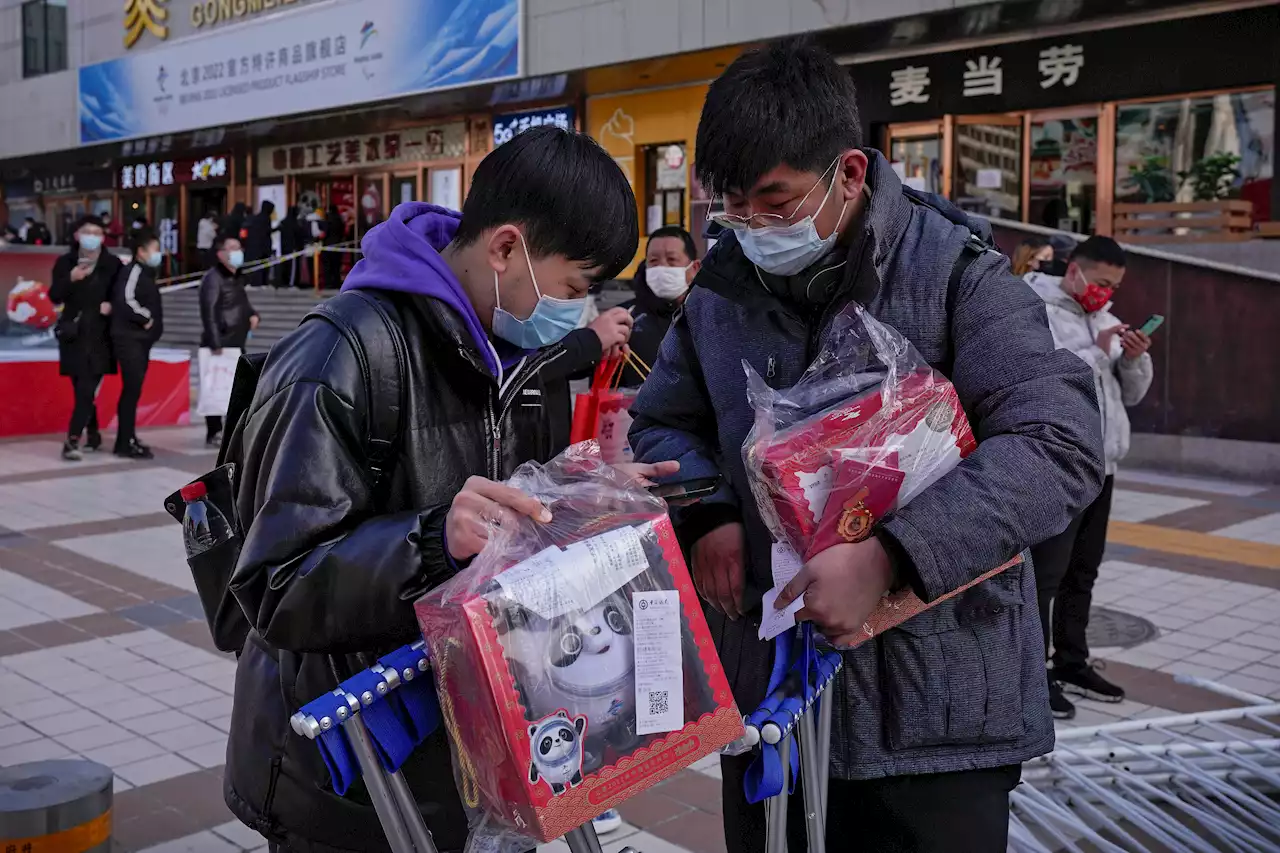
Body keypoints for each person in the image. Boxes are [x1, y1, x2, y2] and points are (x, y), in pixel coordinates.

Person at [628, 41, 1104, 853]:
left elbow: (1059, 441)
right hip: (776, 706)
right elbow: (665, 419)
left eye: (773, 201)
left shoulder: (960, 276)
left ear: (849, 172)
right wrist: (708, 511)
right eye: (731, 205)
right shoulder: (720, 288)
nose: (749, 226)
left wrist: (892, 557)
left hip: (939, 714)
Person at [219, 126, 673, 853]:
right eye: (572, 288)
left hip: (478, 759)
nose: (574, 311)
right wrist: (431, 539)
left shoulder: (514, 352)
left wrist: (585, 496)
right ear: (504, 248)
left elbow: (514, 515)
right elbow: (275, 586)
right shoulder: (340, 352)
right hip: (353, 777)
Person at [1026, 236, 1152, 720]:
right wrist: (1099, 352)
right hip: (1058, 463)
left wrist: (1134, 358)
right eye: (1100, 282)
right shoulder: (1035, 308)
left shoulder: (1104, 318)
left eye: (1114, 286)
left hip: (1105, 464)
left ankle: (1073, 662)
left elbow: (1132, 395)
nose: (1105, 293)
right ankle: (1034, 676)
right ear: (1074, 270)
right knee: (1045, 577)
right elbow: (1048, 377)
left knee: (1084, 571)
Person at [49, 215, 122, 461]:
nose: (92, 236)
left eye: (97, 231)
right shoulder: (65, 262)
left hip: (100, 336)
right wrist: (70, 279)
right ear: (77, 235)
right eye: (87, 231)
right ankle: (93, 433)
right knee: (81, 389)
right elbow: (54, 296)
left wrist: (112, 305)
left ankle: (72, 440)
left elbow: (122, 296)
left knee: (86, 389)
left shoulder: (112, 264)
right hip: (73, 335)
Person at [618, 225, 700, 387]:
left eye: (672, 260)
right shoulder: (625, 318)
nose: (662, 268)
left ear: (694, 268)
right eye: (654, 261)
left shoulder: (713, 318)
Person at [110, 227, 164, 460]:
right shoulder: (132, 271)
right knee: (131, 389)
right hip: (129, 338)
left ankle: (128, 436)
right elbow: (125, 299)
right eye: (155, 249)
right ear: (141, 251)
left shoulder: (146, 273)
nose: (158, 254)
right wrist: (145, 318)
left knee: (134, 389)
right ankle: (125, 441)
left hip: (142, 341)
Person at [199, 235, 258, 446]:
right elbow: (209, 311)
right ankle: (214, 430)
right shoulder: (213, 278)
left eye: (238, 247)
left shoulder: (236, 277)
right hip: (221, 342)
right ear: (221, 254)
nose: (236, 251)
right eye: (231, 248)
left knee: (235, 388)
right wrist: (215, 341)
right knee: (215, 388)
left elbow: (242, 303)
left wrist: (253, 314)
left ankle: (232, 432)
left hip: (236, 341)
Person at [243, 200, 276, 288]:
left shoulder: (256, 218)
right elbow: (266, 231)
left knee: (257, 265)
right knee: (264, 264)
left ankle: (256, 282)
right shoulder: (266, 218)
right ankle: (263, 282)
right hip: (263, 246)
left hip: (255, 246)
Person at [322, 204, 346, 289]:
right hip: (338, 245)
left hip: (327, 246)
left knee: (328, 266)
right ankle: (336, 282)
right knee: (336, 266)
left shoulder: (328, 220)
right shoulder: (340, 220)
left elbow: (325, 232)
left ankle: (328, 283)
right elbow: (343, 231)